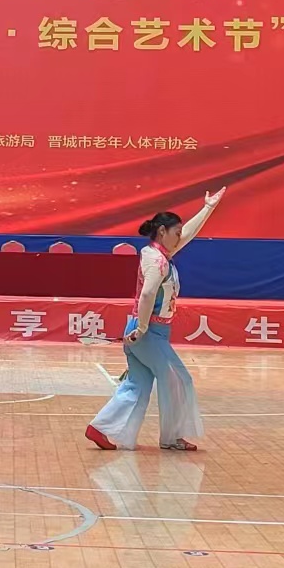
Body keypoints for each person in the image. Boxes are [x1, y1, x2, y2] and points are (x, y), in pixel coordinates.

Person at [86, 189, 225, 452]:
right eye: (176, 233)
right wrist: (142, 328)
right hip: (148, 333)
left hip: (146, 332)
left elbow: (189, 234)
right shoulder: (157, 261)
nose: (180, 237)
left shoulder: (158, 254)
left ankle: (101, 428)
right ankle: (172, 437)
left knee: (137, 384)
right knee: (178, 379)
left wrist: (208, 208)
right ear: (162, 231)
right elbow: (148, 293)